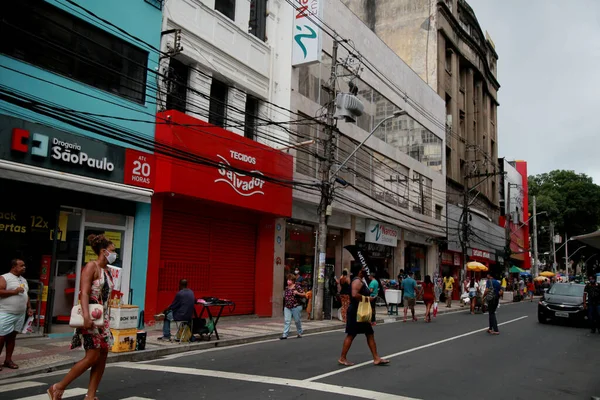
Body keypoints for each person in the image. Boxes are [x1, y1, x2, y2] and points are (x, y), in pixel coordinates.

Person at [48, 234, 116, 400]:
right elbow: (84, 292)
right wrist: (86, 316)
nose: (115, 254)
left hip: (103, 319)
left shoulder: (108, 271)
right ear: (103, 251)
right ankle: (58, 387)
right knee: (92, 356)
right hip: (91, 317)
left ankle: (90, 396)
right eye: (112, 250)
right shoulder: (91, 267)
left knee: (102, 357)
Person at [338, 263, 389, 367]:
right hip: (356, 311)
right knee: (351, 334)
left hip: (362, 311)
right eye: (363, 269)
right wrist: (367, 299)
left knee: (369, 333)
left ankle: (376, 358)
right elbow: (354, 294)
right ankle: (342, 358)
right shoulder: (357, 281)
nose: (365, 271)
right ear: (359, 271)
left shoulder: (362, 281)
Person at [0, 259, 33, 371]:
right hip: (5, 312)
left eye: (24, 265)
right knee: (1, 337)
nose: (24, 267)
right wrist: (14, 292)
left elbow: (26, 294)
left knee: (12, 338)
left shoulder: (23, 279)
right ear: (14, 266)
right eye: (21, 266)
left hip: (20, 314)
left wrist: (29, 307)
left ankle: (8, 360)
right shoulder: (5, 277)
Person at [281, 274, 305, 339]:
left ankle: (299, 332)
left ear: (293, 281)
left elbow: (304, 294)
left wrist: (297, 293)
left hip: (295, 306)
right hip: (287, 307)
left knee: (297, 321)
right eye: (287, 280)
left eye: (289, 280)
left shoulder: (297, 287)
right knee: (287, 321)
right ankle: (285, 334)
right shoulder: (286, 288)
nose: (288, 281)